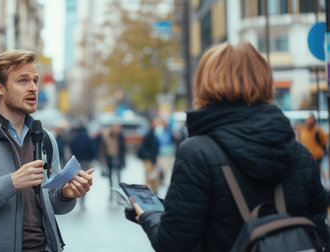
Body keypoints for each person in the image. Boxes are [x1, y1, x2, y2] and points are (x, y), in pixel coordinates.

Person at [126, 42, 330, 251]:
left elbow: (173, 244)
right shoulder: (300, 154)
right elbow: (320, 234)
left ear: (205, 83)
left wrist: (149, 215)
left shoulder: (196, 153)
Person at [0, 50, 94, 252]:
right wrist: (10, 183)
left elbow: (54, 205)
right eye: (23, 81)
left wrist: (67, 194)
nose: (33, 88)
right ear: (0, 88)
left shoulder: (46, 139)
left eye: (35, 81)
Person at [68, 122, 96, 208]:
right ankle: (83, 196)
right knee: (85, 179)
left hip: (77, 162)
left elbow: (71, 148)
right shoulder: (88, 138)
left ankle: (77, 195)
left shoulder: (74, 138)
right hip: (87, 161)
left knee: (77, 179)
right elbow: (93, 148)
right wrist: (92, 157)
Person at [100, 122, 126, 198]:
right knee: (110, 175)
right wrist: (103, 158)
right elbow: (102, 148)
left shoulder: (120, 136)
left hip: (118, 157)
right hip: (109, 157)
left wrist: (123, 160)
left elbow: (123, 148)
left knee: (118, 174)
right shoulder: (106, 136)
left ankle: (119, 189)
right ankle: (111, 190)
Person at [137, 118, 160, 194]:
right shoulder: (149, 134)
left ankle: (153, 191)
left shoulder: (154, 133)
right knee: (149, 177)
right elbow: (144, 147)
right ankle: (149, 192)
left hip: (153, 159)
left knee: (154, 176)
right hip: (149, 160)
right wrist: (149, 157)